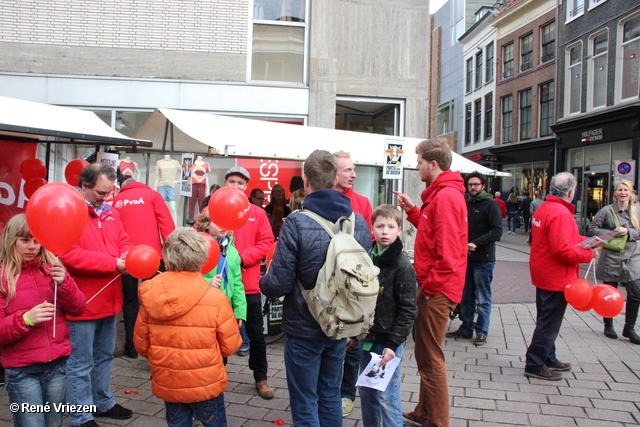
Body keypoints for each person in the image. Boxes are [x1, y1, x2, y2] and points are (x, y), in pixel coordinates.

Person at [260, 149, 371, 426]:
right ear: (335, 178)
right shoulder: (359, 223)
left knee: (305, 399)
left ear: (305, 181)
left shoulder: (297, 222)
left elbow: (278, 284)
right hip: (340, 326)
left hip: (303, 327)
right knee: (330, 394)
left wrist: (261, 279)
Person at [134, 227, 242, 427]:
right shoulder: (215, 298)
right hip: (205, 382)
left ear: (166, 258)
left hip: (169, 380)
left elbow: (141, 345)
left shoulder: (151, 296)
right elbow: (230, 345)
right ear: (202, 259)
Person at [395, 138, 467, 427]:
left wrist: (428, 288)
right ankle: (425, 412)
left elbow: (448, 254)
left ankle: (437, 421)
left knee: (430, 358)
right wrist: (414, 211)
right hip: (437, 285)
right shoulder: (441, 194)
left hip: (438, 288)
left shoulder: (446, 196)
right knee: (426, 353)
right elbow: (432, 231)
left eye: (420, 162)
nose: (417, 166)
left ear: (433, 164)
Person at [59, 162, 134, 427]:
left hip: (110, 298)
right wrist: (114, 263)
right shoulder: (68, 212)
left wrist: (127, 253)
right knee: (81, 362)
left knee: (104, 356)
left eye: (109, 192)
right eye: (100, 193)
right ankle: (81, 415)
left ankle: (102, 401)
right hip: (83, 301)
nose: (105, 197)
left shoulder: (111, 212)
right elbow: (68, 255)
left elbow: (123, 239)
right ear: (84, 185)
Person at [0, 214, 86, 427]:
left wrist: (65, 283)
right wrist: (27, 319)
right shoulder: (3, 277)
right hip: (22, 371)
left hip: (57, 366)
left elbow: (78, 308)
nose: (32, 246)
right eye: (25, 240)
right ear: (11, 240)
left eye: (37, 240)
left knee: (53, 422)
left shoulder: (52, 268)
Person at [525, 172, 598, 380]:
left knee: (546, 319)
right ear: (572, 192)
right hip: (556, 276)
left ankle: (548, 356)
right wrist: (589, 253)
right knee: (549, 323)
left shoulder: (544, 208)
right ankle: (535, 363)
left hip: (543, 272)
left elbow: (564, 238)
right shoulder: (561, 213)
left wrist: (590, 240)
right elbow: (563, 249)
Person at [357, 204, 417, 427]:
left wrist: (393, 344)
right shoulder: (366, 257)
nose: (385, 231)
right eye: (380, 226)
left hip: (387, 342)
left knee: (386, 396)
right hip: (367, 337)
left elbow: (408, 309)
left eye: (391, 226)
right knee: (366, 391)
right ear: (372, 228)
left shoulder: (402, 266)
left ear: (399, 230)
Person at [224, 166, 275, 399]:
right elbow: (200, 240)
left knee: (256, 334)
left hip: (248, 284)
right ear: (225, 183)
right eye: (231, 181)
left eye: (240, 183)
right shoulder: (210, 209)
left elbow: (266, 242)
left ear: (246, 187)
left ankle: (261, 377)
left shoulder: (257, 212)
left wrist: (241, 259)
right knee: (217, 333)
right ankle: (216, 376)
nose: (235, 187)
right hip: (219, 286)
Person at [113, 178, 175, 359]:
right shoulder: (152, 195)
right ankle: (154, 347)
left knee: (130, 302)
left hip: (126, 259)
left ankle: (131, 348)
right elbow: (166, 223)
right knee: (155, 302)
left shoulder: (117, 200)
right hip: (153, 257)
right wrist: (170, 252)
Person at [332, 150, 373, 417]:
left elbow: (367, 248)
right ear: (333, 173)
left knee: (353, 342)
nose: (354, 174)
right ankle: (327, 392)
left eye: (354, 169)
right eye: (347, 170)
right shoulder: (323, 200)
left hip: (355, 283)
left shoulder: (362, 202)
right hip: (329, 283)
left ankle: (347, 393)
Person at [447, 172, 502, 346]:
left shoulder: (491, 204)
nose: (472, 188)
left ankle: (482, 332)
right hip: (465, 257)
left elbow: (497, 231)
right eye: (470, 184)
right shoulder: (465, 203)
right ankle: (466, 328)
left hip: (483, 259)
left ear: (483, 186)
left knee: (483, 297)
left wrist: (476, 244)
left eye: (476, 185)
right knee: (466, 295)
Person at [588, 179, 640, 344]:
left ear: (631, 193)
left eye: (626, 190)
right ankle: (608, 324)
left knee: (636, 292)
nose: (622, 193)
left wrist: (628, 232)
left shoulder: (636, 211)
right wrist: (612, 233)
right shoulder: (606, 211)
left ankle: (629, 328)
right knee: (610, 293)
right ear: (615, 193)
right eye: (620, 190)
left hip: (632, 257)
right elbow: (592, 229)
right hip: (612, 256)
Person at [196, 209, 246, 330]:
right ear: (206, 225)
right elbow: (188, 278)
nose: (223, 226)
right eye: (217, 222)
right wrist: (208, 283)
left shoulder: (231, 250)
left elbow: (237, 282)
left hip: (226, 309)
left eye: (226, 222)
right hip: (203, 309)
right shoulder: (199, 248)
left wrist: (240, 311)